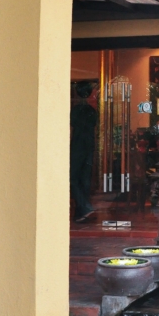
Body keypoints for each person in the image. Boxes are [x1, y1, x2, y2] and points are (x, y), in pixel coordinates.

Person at [70, 82, 97, 223]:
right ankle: (81, 212)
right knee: (84, 179)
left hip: (77, 146)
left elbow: (72, 127)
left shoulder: (75, 110)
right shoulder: (92, 111)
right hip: (89, 146)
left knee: (73, 178)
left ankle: (85, 208)